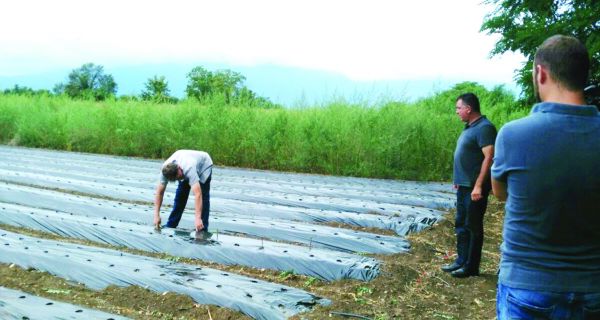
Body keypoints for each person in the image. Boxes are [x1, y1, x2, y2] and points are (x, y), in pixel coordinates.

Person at [492, 35, 600, 319]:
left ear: (541, 73)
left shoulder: (514, 134)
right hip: (593, 289)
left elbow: (501, 193)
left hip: (528, 287)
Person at [441, 92, 496, 278]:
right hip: (464, 186)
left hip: (475, 188)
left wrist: (479, 186)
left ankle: (472, 267)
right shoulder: (470, 127)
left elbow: (489, 158)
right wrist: (459, 181)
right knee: (461, 224)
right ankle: (461, 260)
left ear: (468, 108)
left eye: (458, 108)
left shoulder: (485, 128)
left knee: (473, 226)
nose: (457, 112)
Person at [153, 150, 213, 231]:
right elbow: (159, 193)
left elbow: (198, 194)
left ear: (179, 168)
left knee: (203, 196)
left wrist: (197, 218)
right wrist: (156, 215)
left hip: (204, 165)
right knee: (180, 196)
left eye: (180, 176)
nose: (180, 178)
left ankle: (202, 228)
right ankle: (171, 224)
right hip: (186, 160)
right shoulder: (165, 171)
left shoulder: (188, 168)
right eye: (177, 179)